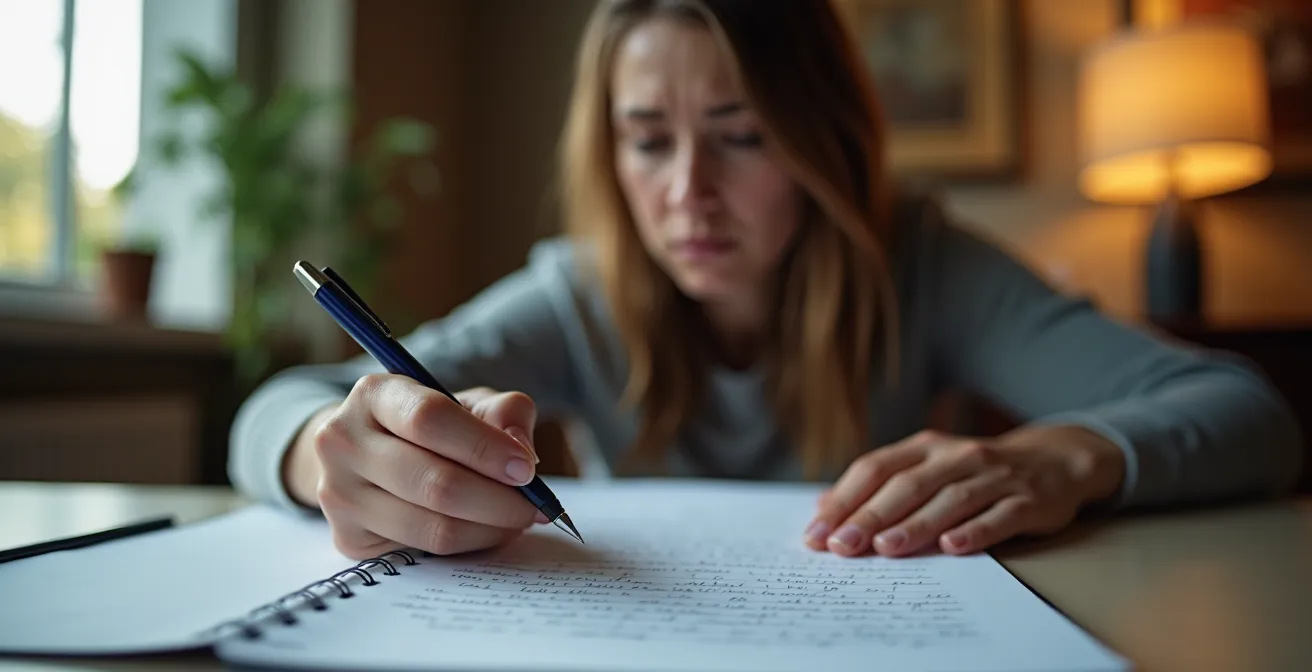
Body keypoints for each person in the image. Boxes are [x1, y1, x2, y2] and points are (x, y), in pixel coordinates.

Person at [228, 0, 1303, 562]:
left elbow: (1250, 413)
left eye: (740, 136)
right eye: (647, 141)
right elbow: (281, 409)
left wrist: (1062, 458)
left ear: (820, 144)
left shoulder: (924, 266)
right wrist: (326, 456)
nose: (687, 193)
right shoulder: (579, 293)